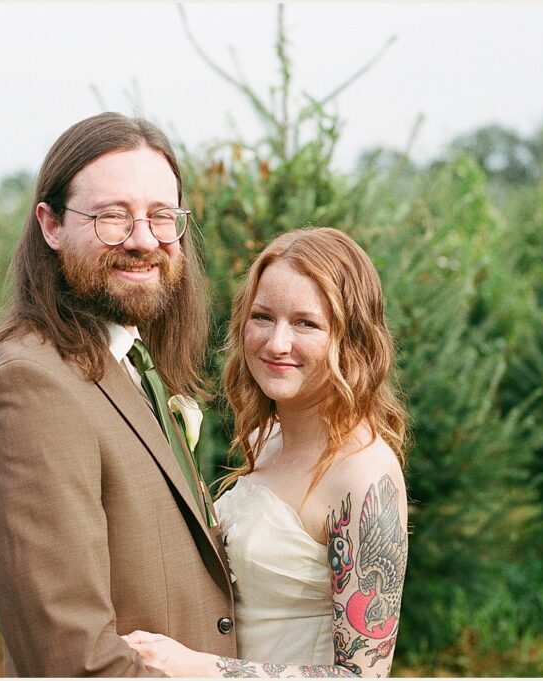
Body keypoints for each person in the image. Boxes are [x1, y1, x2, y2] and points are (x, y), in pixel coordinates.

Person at [0, 112, 236, 677]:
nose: (143, 240)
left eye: (162, 217)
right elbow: (74, 663)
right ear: (51, 225)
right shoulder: (27, 389)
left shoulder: (131, 361)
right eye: (112, 217)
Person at [124, 227, 409, 677]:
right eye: (262, 317)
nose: (276, 343)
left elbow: (362, 676)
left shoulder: (363, 476)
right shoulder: (268, 437)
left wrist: (197, 667)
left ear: (351, 337)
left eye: (305, 323)